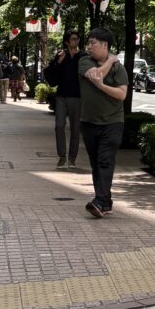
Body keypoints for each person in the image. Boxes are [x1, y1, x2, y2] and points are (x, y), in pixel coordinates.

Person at [45, 31, 115, 170]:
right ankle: (62, 156)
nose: (76, 41)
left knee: (75, 129)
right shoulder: (61, 55)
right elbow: (50, 75)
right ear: (67, 42)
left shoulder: (83, 57)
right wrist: (58, 62)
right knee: (59, 126)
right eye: (73, 39)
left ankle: (72, 158)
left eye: (78, 39)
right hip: (62, 96)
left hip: (77, 97)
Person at [79, 27, 129, 218]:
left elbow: (122, 94)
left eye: (93, 43)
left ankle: (99, 201)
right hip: (89, 122)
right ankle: (105, 202)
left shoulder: (119, 68)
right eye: (88, 43)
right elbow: (95, 75)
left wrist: (101, 86)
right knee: (96, 163)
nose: (89, 47)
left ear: (105, 45)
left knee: (105, 161)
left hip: (112, 122)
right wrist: (110, 60)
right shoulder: (85, 61)